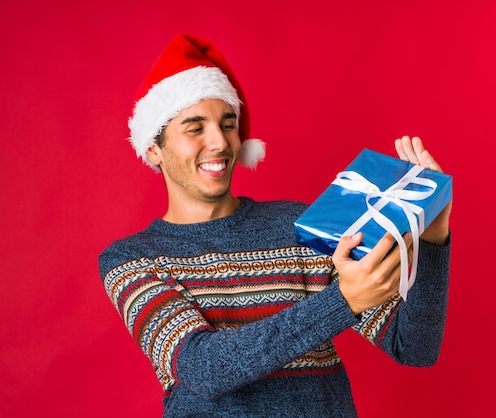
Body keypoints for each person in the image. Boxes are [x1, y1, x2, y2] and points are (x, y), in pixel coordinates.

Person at [99, 33, 452, 418]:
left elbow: (414, 347)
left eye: (228, 124)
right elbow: (206, 369)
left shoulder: (296, 226)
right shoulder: (131, 260)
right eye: (195, 128)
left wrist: (432, 240)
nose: (219, 142)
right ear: (154, 148)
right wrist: (344, 301)